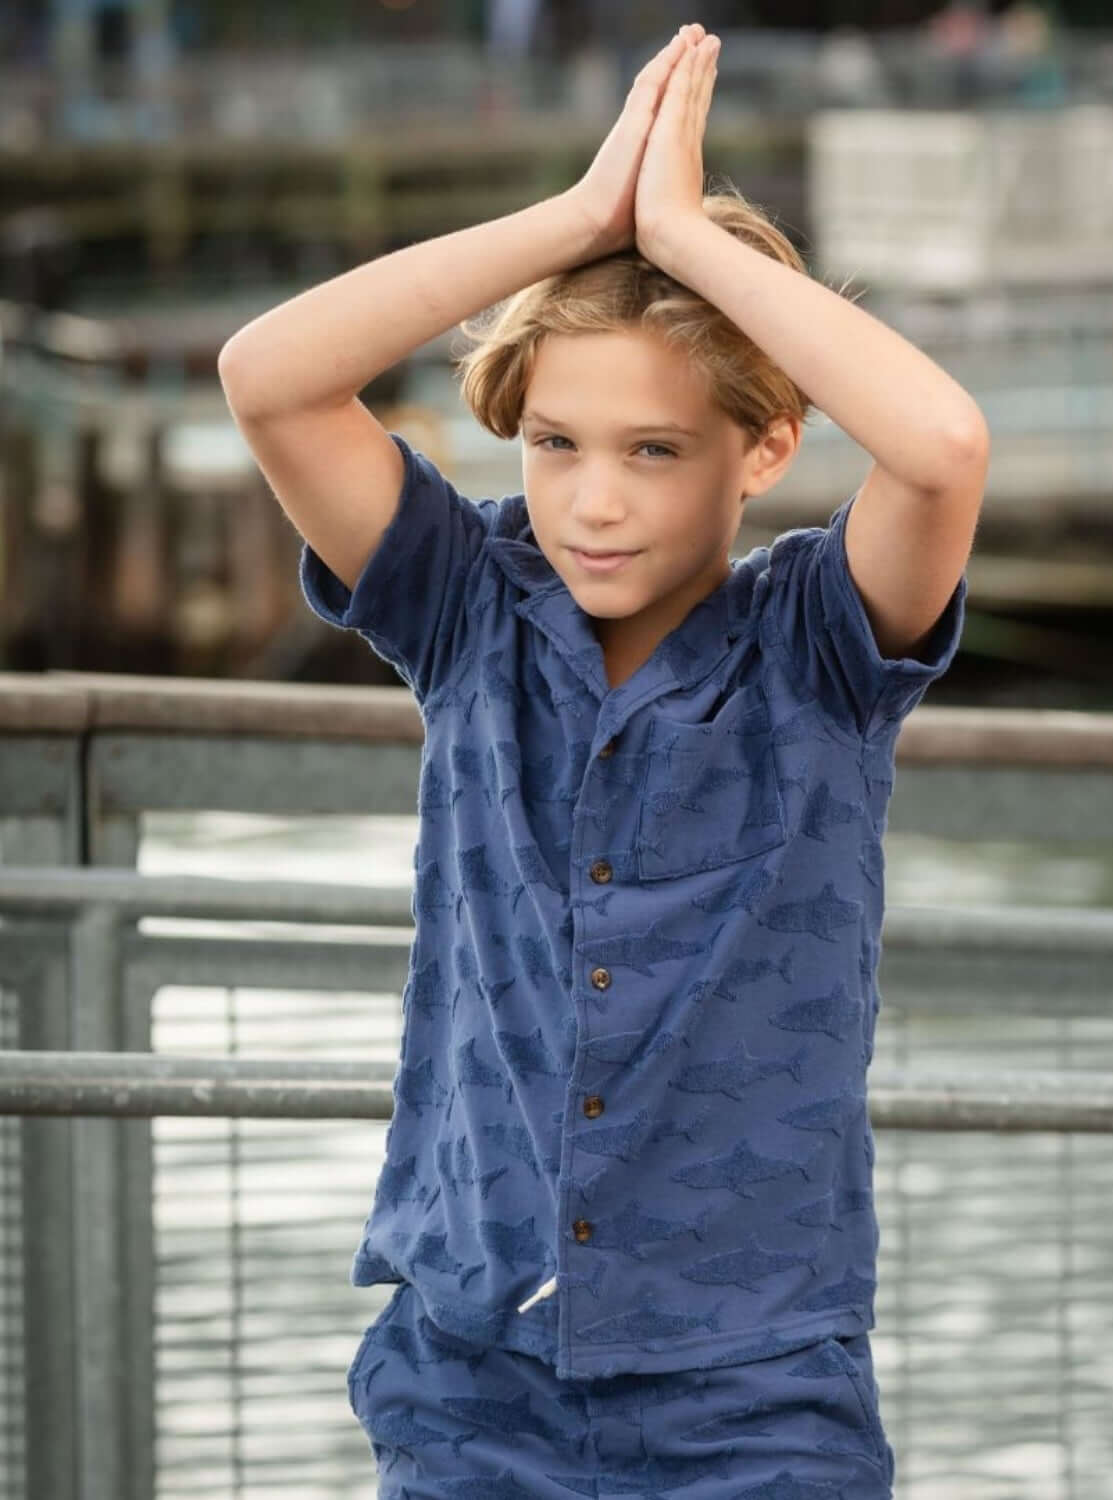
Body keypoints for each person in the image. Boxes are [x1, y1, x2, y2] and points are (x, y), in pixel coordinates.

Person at [218, 21, 988, 1498]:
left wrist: (687, 241)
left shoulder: (820, 651)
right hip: (471, 1374)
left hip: (755, 1392)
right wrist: (583, 220)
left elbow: (943, 446)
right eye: (557, 443)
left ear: (763, 451)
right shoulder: (463, 605)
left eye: (653, 450)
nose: (591, 502)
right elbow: (269, 376)